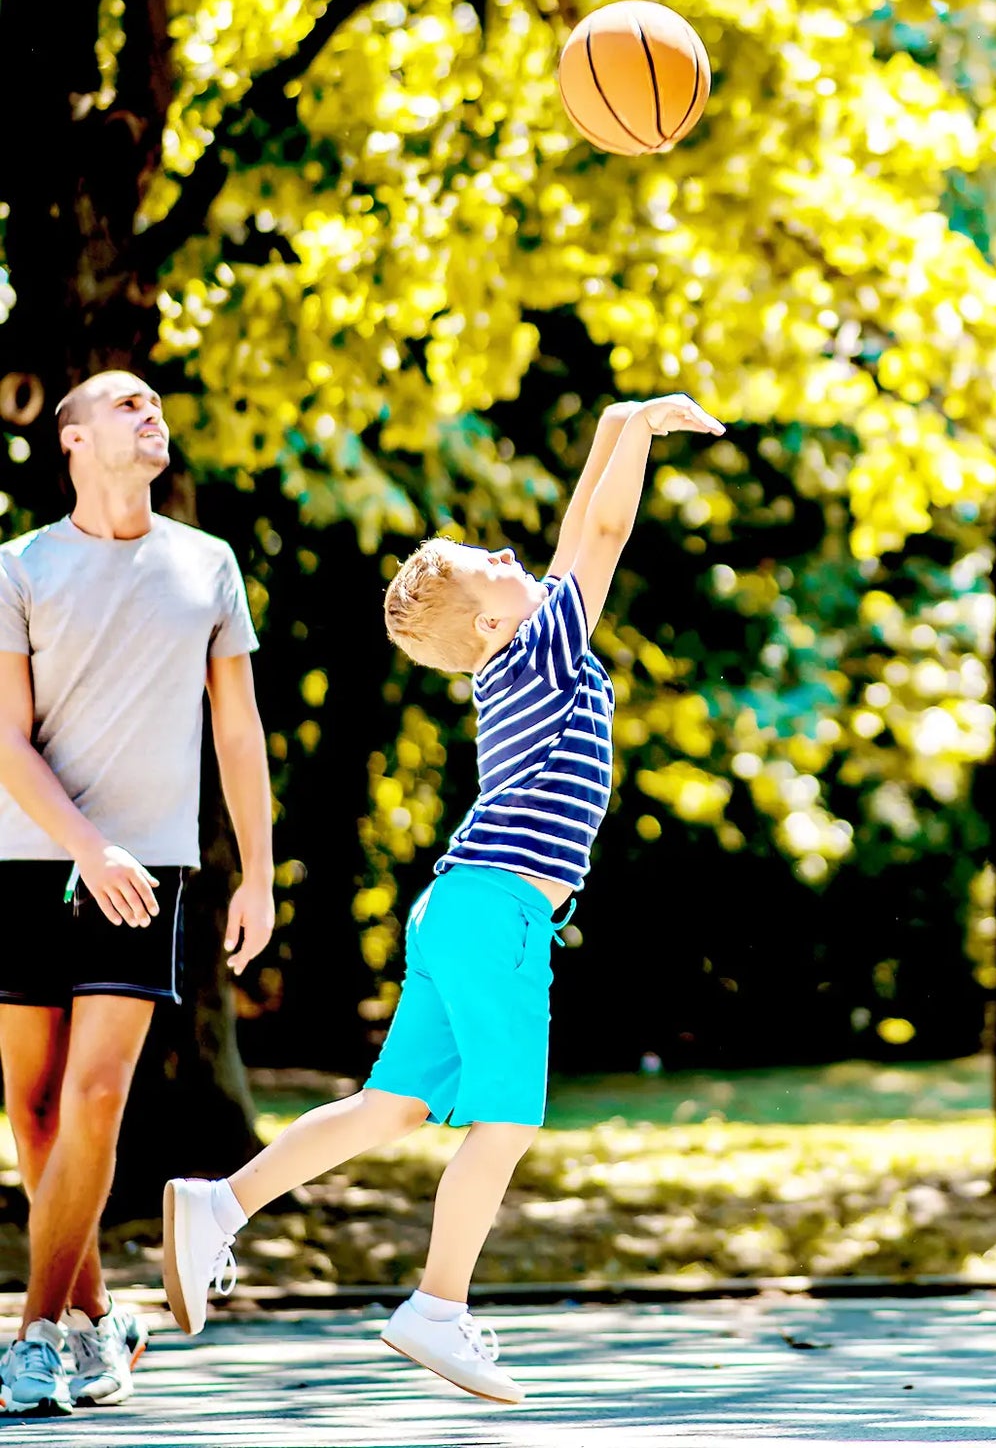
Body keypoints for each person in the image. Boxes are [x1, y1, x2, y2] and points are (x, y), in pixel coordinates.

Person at [162, 393, 722, 1403]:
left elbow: (571, 538)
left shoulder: (518, 651)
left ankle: (221, 1205)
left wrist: (615, 419)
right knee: (505, 1117)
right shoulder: (545, 644)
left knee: (393, 1105)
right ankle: (437, 1306)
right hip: (497, 912)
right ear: (496, 619)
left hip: (458, 907)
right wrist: (640, 435)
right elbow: (598, 533)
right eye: (491, 565)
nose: (511, 555)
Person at [0, 370, 275, 1415]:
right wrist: (87, 846)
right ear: (71, 438)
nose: (150, 413)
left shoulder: (208, 564)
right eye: (125, 404)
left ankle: (33, 1335)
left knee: (97, 1095)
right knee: (34, 1109)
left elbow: (237, 730)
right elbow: (4, 738)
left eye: (156, 404)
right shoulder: (18, 567)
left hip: (148, 870)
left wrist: (258, 873)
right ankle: (95, 1317)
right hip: (27, 860)